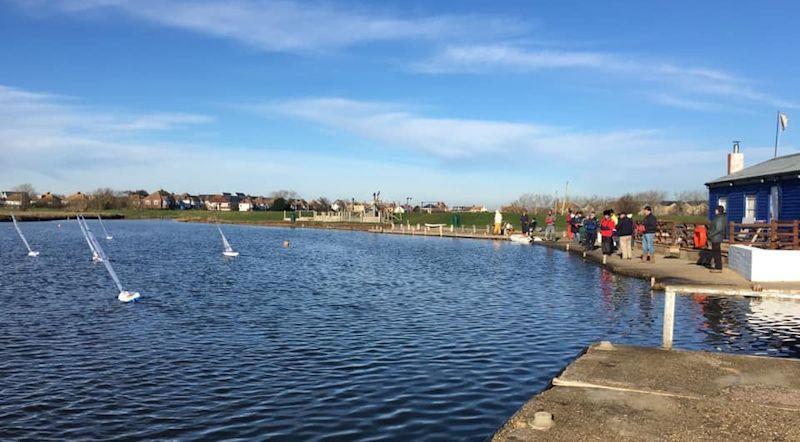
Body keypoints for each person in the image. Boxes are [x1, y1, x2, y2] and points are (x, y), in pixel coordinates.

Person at [707, 205, 726, 273]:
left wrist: (710, 235)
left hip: (716, 238)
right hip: (716, 237)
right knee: (716, 252)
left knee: (716, 253)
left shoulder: (719, 218)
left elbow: (718, 229)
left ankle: (718, 267)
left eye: (716, 210)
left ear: (718, 210)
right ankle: (717, 266)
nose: (715, 211)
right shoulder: (719, 217)